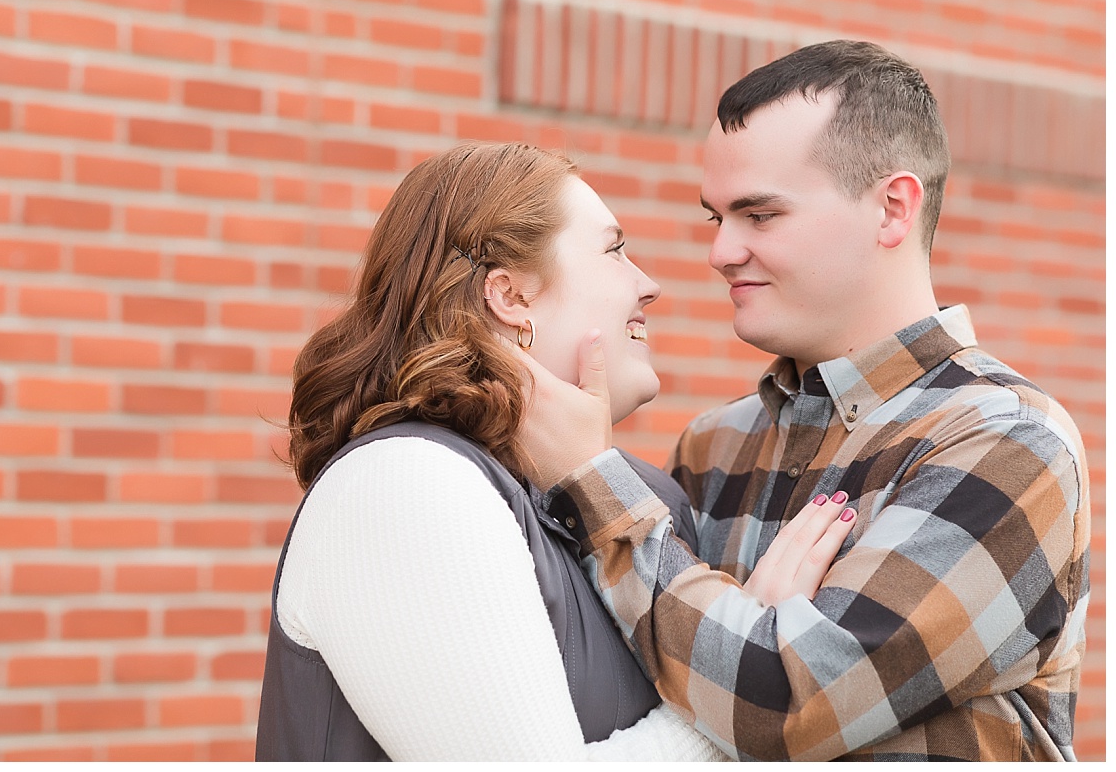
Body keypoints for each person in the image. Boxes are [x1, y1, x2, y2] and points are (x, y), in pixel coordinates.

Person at [515, 40, 1090, 761]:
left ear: (892, 208)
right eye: (715, 218)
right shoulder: (711, 445)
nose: (721, 251)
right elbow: (654, 701)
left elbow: (784, 703)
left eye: (759, 215)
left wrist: (594, 480)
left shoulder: (1006, 442)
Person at [253, 141, 854, 761]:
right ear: (510, 297)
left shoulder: (639, 496)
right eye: (615, 250)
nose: (649, 285)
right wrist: (739, 679)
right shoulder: (402, 484)